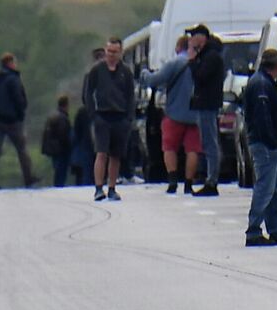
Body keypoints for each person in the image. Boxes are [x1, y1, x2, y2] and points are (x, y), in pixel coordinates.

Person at [241, 47, 277, 247]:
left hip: (271, 145)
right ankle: (254, 230)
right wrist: (274, 141)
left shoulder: (263, 83)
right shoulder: (262, 86)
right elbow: (263, 118)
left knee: (275, 190)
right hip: (266, 146)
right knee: (265, 189)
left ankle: (275, 229)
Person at [140, 34, 202, 193]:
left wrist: (145, 73)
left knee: (169, 147)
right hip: (196, 114)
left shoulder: (174, 63)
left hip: (174, 113)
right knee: (193, 149)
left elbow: (155, 80)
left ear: (178, 48)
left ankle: (173, 180)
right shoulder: (200, 63)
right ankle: (189, 183)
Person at [82, 37, 137, 201]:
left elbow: (130, 95)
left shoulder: (125, 72)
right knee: (101, 152)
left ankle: (112, 187)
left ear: (120, 53)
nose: (111, 55)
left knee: (116, 155)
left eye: (115, 52)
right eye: (109, 51)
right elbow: (88, 93)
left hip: (120, 117)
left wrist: (129, 117)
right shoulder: (96, 70)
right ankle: (99, 188)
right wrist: (93, 114)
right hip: (102, 116)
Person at [0, 52, 36, 190]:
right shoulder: (13, 79)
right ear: (11, 63)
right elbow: (19, 99)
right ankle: (28, 177)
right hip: (13, 121)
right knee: (22, 149)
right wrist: (20, 114)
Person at [187, 25, 226, 196]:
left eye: (193, 36)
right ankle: (210, 178)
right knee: (208, 142)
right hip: (205, 104)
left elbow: (200, 76)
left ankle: (212, 181)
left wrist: (192, 59)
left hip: (207, 104)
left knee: (210, 143)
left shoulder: (210, 57)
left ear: (201, 38)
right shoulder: (209, 55)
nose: (191, 40)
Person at [41, 95, 74, 187]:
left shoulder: (53, 116)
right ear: (66, 105)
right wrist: (69, 146)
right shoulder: (63, 118)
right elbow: (63, 135)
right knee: (61, 171)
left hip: (53, 149)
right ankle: (59, 186)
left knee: (57, 168)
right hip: (61, 149)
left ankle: (57, 185)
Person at [70, 101, 95, 192]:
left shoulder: (82, 111)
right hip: (99, 145)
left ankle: (87, 188)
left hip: (85, 144)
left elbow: (77, 130)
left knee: (87, 170)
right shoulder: (100, 110)